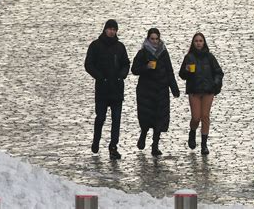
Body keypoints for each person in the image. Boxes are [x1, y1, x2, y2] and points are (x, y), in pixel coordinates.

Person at [85, 19, 130, 160]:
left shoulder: (120, 47)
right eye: (110, 29)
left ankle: (113, 147)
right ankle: (96, 140)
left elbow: (126, 63)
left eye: (114, 29)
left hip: (116, 89)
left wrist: (121, 76)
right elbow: (88, 64)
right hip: (102, 89)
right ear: (105, 29)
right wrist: (100, 77)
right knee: (101, 118)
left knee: (116, 120)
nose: (112, 31)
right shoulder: (95, 45)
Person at [131, 28, 180, 156]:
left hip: (161, 90)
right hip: (146, 90)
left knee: (159, 118)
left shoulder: (164, 53)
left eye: (156, 39)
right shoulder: (142, 53)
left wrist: (174, 88)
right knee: (146, 116)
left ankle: (155, 145)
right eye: (152, 39)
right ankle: (143, 134)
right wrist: (146, 67)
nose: (154, 41)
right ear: (148, 39)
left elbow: (169, 71)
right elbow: (134, 69)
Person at [179, 33, 224, 155]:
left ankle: (204, 145)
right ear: (193, 43)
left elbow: (219, 72)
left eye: (200, 41)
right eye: (196, 41)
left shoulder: (209, 57)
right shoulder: (189, 57)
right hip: (194, 91)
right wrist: (187, 70)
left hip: (208, 91)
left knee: (205, 117)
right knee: (196, 117)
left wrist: (215, 83)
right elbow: (182, 74)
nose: (198, 43)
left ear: (204, 43)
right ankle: (192, 131)